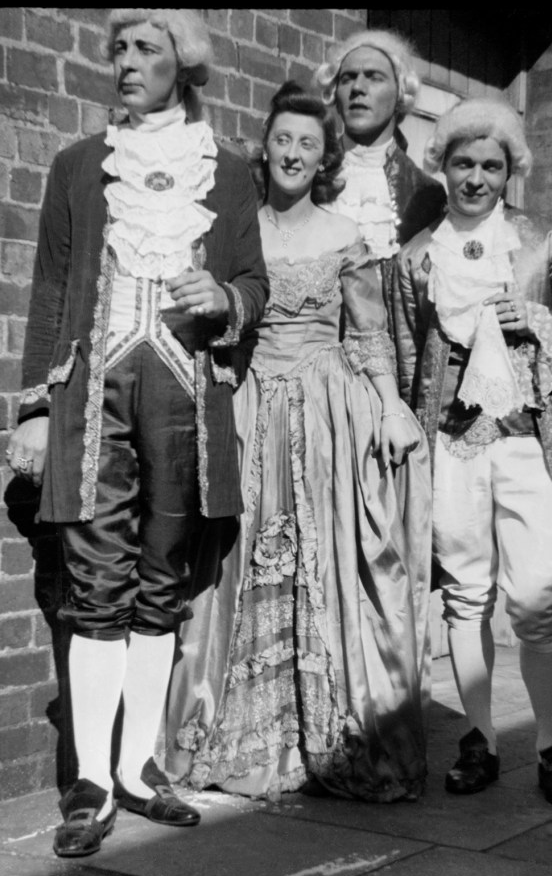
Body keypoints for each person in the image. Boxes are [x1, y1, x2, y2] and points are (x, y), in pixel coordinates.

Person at [5, 8, 268, 857]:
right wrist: (38, 409)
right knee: (94, 576)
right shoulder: (80, 166)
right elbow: (51, 291)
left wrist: (227, 301)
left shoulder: (227, 173)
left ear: (181, 66)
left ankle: (141, 765)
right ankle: (89, 781)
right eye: (117, 48)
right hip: (94, 396)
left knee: (164, 578)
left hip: (188, 394)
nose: (124, 62)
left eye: (144, 49)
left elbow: (253, 281)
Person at [165, 82, 431, 803]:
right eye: (283, 139)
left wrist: (391, 408)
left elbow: (369, 333)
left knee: (326, 557)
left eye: (308, 144)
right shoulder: (235, 228)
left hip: (322, 409)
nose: (293, 153)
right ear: (267, 148)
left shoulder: (345, 234)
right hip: (248, 400)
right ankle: (248, 735)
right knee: (242, 553)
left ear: (325, 159)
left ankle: (326, 735)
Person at [390, 97, 552, 807]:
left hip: (525, 442)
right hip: (450, 445)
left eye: (491, 164)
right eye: (463, 163)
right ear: (442, 167)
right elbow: (401, 357)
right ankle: (478, 737)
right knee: (465, 594)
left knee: (540, 595)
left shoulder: (542, 244)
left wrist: (542, 317)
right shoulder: (418, 257)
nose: (476, 177)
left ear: (510, 170)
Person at [314, 30, 446, 296]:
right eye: (347, 78)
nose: (358, 88)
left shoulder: (426, 194)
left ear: (399, 94)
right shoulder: (308, 175)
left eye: (374, 77)